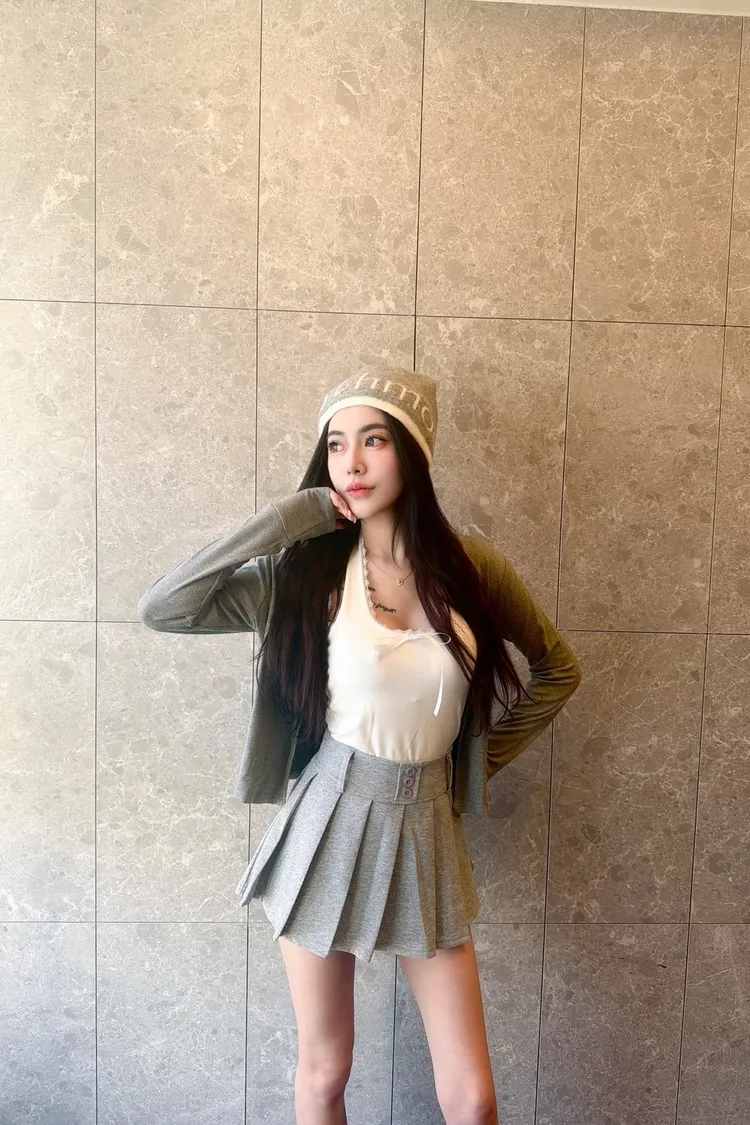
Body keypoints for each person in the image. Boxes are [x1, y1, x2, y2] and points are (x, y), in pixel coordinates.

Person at [138, 366, 582, 1125]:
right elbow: (165, 607)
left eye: (374, 440)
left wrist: (473, 769)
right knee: (326, 1070)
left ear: (412, 452)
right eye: (336, 444)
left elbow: (558, 670)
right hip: (328, 820)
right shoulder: (305, 574)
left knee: (472, 1097)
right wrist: (293, 516)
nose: (352, 461)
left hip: (428, 828)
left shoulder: (474, 569)